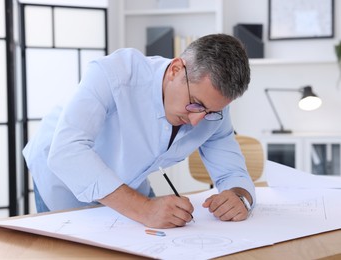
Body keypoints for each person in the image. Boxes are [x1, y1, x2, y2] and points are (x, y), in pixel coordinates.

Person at [23, 33, 255, 229]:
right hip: (62, 176)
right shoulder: (115, 73)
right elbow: (67, 152)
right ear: (176, 69)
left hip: (128, 178)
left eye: (210, 111)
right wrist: (144, 209)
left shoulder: (212, 111)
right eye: (195, 103)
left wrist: (239, 198)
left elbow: (231, 173)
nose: (197, 121)